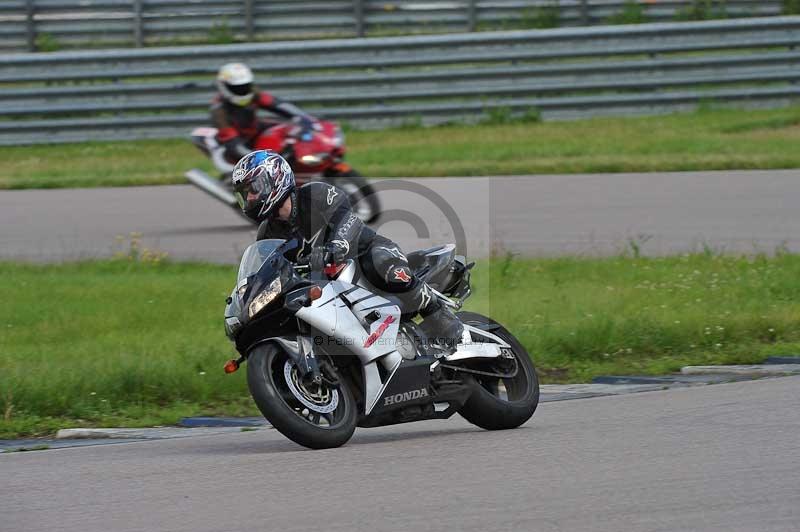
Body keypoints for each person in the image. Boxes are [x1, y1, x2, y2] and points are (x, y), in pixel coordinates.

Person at [231, 149, 464, 349]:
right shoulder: (266, 234)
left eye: (253, 189)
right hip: (327, 283)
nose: (250, 198)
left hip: (365, 255)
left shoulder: (315, 194)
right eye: (245, 195)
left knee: (381, 265)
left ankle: (437, 314)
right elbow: (269, 268)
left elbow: (349, 219)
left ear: (275, 178)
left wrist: (337, 245)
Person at [210, 62, 317, 163]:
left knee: (288, 128)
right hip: (238, 141)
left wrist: (303, 117)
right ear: (223, 86)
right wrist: (262, 159)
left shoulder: (253, 93)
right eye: (236, 88)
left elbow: (278, 104)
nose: (242, 90)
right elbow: (233, 142)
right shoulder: (220, 110)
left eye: (245, 86)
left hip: (254, 129)